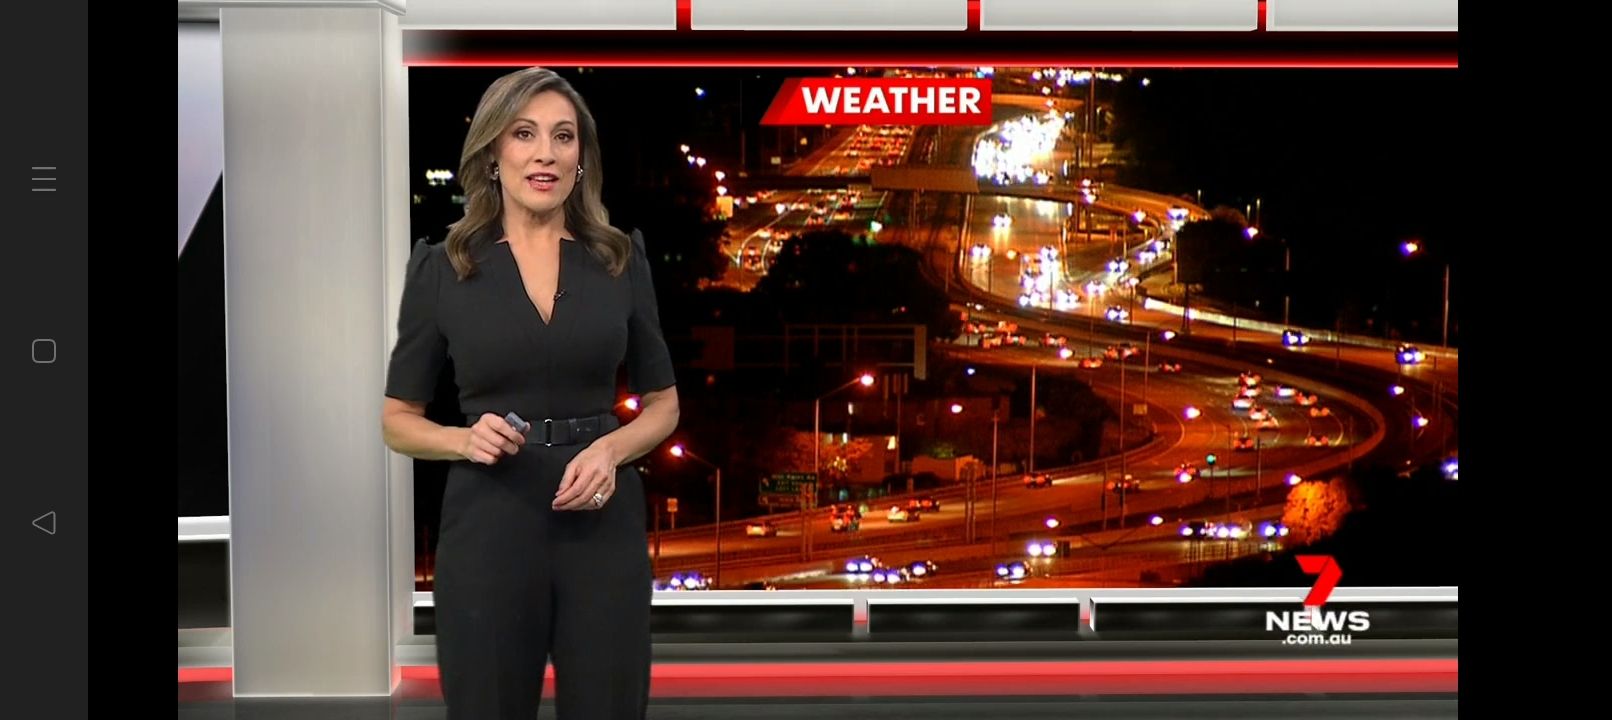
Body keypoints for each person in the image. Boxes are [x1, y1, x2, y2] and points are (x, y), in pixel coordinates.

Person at [381, 67, 679, 719]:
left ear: (580, 159)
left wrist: (611, 451)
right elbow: (397, 419)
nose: (545, 153)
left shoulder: (620, 260)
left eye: (562, 137)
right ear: (493, 153)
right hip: (489, 524)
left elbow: (664, 404)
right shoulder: (442, 266)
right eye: (524, 134)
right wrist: (462, 439)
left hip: (601, 522)